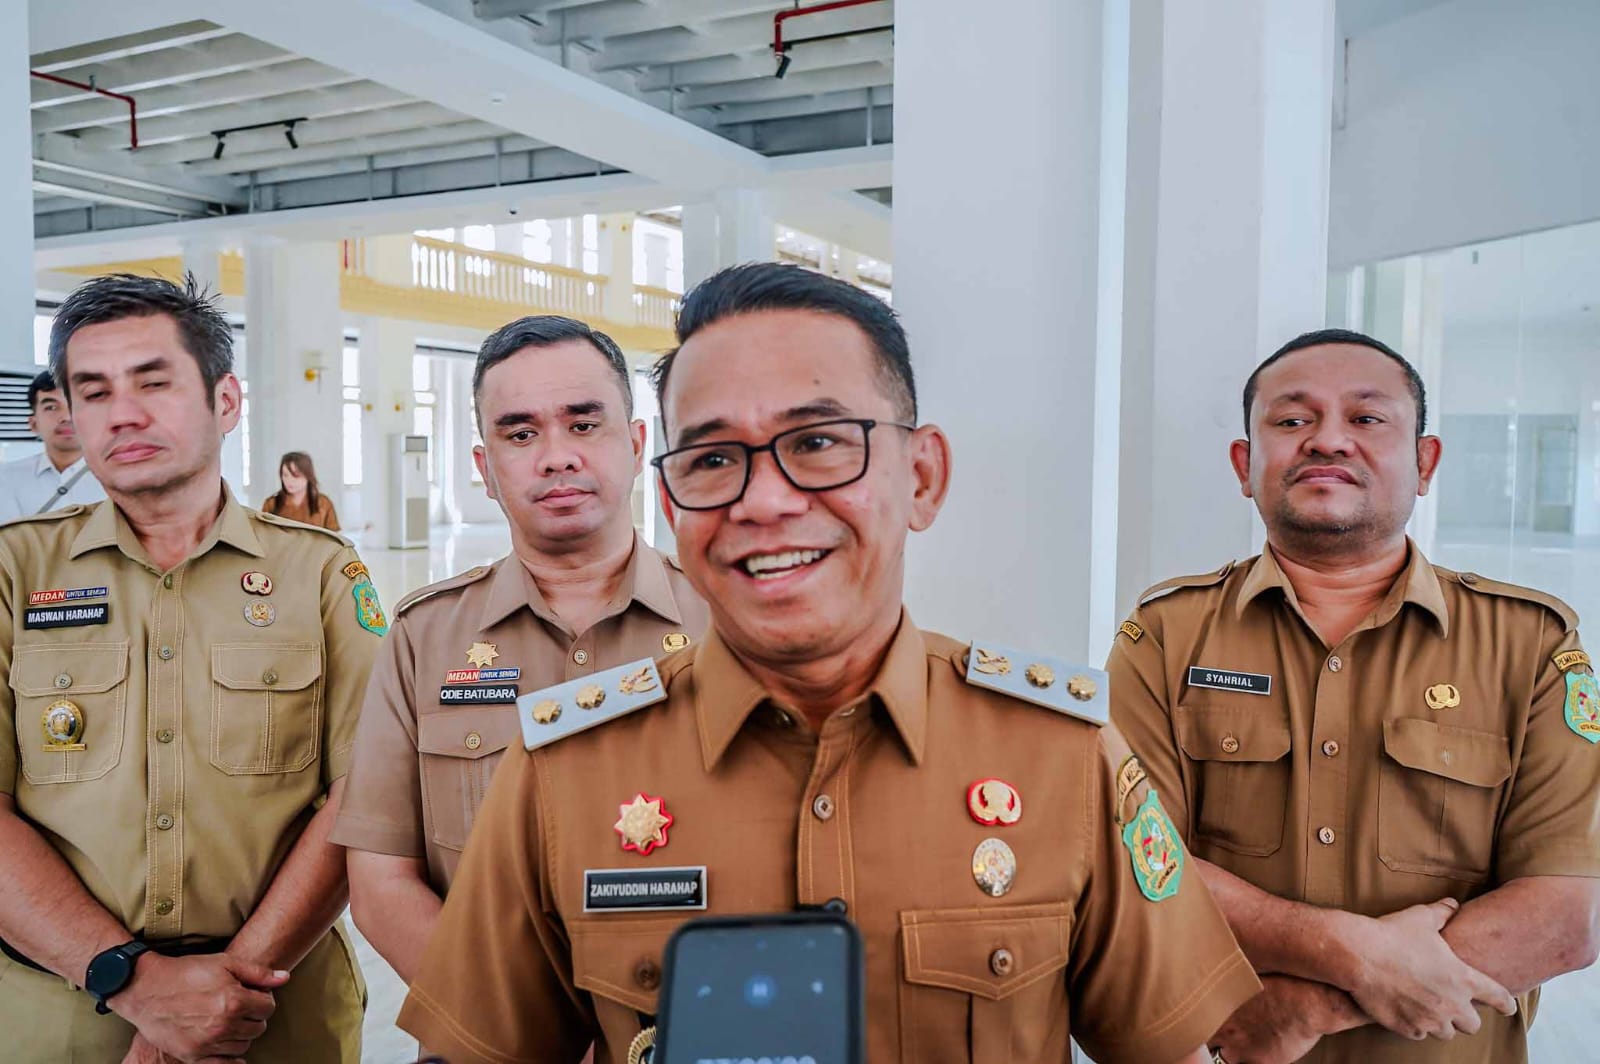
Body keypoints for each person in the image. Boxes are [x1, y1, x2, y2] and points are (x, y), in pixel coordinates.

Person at [394, 263, 1260, 1063]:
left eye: (817, 443)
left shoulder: (1062, 760)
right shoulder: (563, 774)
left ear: (922, 477)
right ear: (672, 503)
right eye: (713, 459)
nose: (765, 500)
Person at [1108, 328, 1600, 1063]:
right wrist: (1350, 950)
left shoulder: (1530, 646)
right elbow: (1135, 865)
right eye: (1292, 420)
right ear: (1245, 465)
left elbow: (1565, 916)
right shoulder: (1164, 636)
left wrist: (1305, 1008)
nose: (1328, 440)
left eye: (1367, 418)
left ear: (1424, 462)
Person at [0, 273, 385, 1062]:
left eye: (154, 382)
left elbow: (368, 795)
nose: (123, 413)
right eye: (94, 392)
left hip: (277, 1012)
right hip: (59, 1013)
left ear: (226, 401)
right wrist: (135, 986)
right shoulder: (14, 571)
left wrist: (218, 998)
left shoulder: (321, 574)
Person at [332, 315, 709, 983]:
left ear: (636, 443)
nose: (556, 456)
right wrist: (505, 1024)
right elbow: (381, 880)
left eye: (583, 425)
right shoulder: (424, 638)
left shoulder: (726, 625)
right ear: (485, 468)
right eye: (521, 434)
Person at [0, 369, 105, 522]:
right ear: (33, 424)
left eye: (75, 405)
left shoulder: (120, 477)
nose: (66, 417)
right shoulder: (6, 479)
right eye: (51, 407)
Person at [261, 450, 340, 530]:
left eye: (296, 475)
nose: (289, 480)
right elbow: (262, 533)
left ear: (308, 475)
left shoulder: (323, 503)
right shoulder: (271, 503)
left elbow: (333, 535)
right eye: (285, 475)